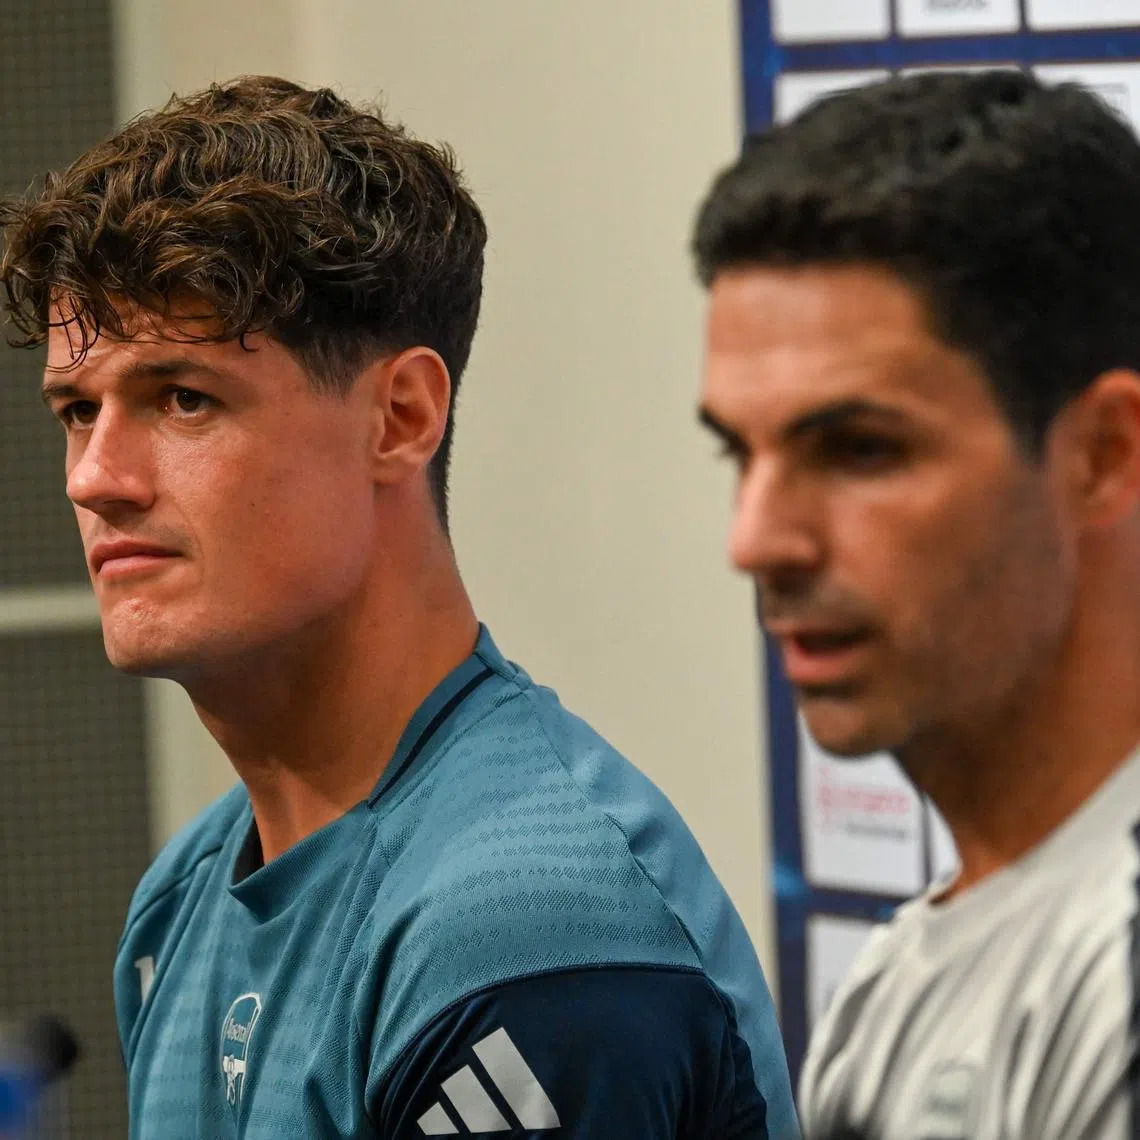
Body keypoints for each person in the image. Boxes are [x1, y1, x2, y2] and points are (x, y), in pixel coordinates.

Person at [0, 76, 797, 1138]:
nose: (96, 478)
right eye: (77, 411)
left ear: (400, 417)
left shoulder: (524, 937)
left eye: (183, 399)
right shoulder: (182, 899)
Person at [692, 68, 1140, 1139]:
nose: (757, 540)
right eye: (738, 453)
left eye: (859, 450)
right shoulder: (899, 982)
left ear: (1103, 455)